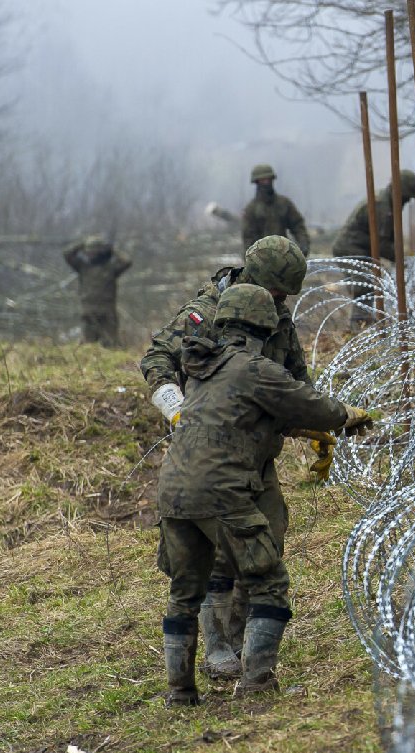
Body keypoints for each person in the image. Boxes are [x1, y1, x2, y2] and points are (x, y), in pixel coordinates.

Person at [155, 283, 372, 704]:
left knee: (184, 590)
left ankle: (180, 692)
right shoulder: (254, 369)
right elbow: (309, 404)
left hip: (173, 490)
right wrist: (346, 415)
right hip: (221, 491)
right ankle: (257, 683)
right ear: (263, 327)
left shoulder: (201, 369)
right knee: (268, 581)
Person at [140, 235, 312, 682]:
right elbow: (157, 359)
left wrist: (310, 421)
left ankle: (241, 644)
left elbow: (296, 380)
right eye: (276, 291)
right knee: (216, 555)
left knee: (266, 544)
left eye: (286, 295)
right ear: (256, 279)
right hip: (208, 455)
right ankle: (217, 647)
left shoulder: (278, 319)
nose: (281, 301)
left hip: (257, 454)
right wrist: (177, 409)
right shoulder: (206, 313)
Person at [331, 170, 415, 327]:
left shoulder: (389, 203)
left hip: (361, 248)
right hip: (351, 248)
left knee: (366, 285)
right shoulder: (382, 207)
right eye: (406, 197)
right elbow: (382, 244)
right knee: (364, 285)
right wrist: (401, 260)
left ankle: (363, 321)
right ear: (399, 191)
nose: (407, 202)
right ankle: (359, 325)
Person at [63, 235, 131, 347]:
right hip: (89, 311)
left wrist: (112, 249)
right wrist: (82, 244)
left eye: (94, 252)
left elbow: (127, 262)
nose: (90, 254)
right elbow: (67, 254)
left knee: (111, 344)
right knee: (89, 344)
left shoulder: (110, 268)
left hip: (106, 311)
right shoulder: (83, 266)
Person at [241, 163, 310, 257]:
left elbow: (298, 226)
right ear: (257, 182)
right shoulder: (251, 209)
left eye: (268, 179)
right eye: (263, 180)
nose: (266, 183)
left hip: (284, 255)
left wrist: (303, 244)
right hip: (262, 258)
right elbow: (248, 238)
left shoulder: (284, 204)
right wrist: (252, 259)